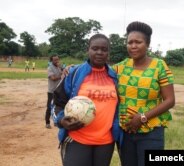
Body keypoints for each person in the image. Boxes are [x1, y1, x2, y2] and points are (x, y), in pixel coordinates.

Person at [112, 21, 175, 166]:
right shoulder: (119, 68)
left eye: (138, 42)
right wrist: (71, 68)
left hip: (151, 132)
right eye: (130, 42)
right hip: (125, 132)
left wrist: (142, 118)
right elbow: (97, 69)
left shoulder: (159, 66)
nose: (133, 46)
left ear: (147, 44)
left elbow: (170, 100)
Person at [53, 34, 120, 166]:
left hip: (105, 142)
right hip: (77, 140)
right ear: (88, 49)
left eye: (104, 49)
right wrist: (61, 120)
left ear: (108, 52)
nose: (99, 52)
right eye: (95, 48)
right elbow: (56, 102)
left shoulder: (115, 76)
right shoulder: (74, 73)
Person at [45, 55, 62, 129]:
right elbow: (53, 78)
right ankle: (47, 123)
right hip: (51, 91)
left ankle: (56, 121)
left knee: (58, 107)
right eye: (55, 60)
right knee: (49, 107)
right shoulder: (49, 68)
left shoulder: (59, 67)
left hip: (59, 91)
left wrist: (62, 69)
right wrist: (61, 75)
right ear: (51, 61)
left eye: (57, 59)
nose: (57, 61)